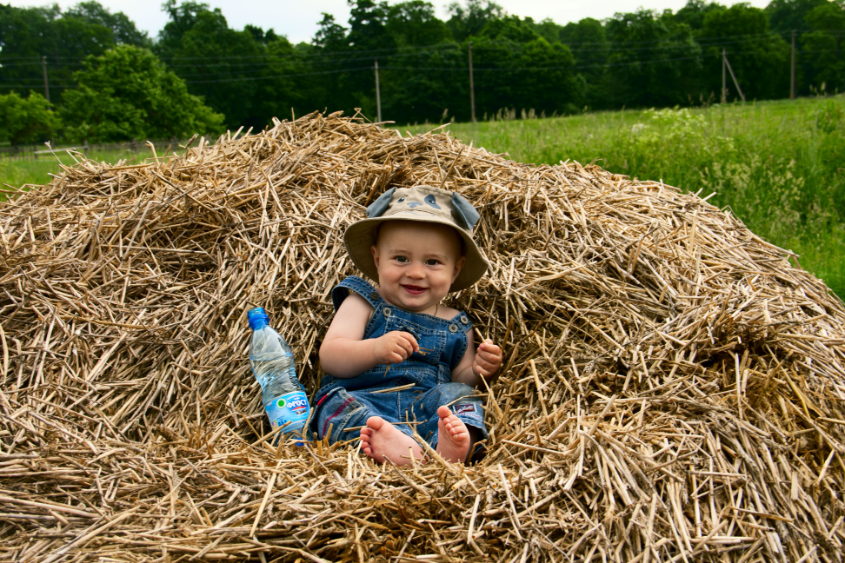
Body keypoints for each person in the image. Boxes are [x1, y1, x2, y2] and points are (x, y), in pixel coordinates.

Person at [311, 185, 503, 465]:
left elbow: (460, 378)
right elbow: (331, 358)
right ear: (377, 259)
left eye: (433, 262)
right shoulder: (363, 303)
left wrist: (479, 369)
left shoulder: (455, 322)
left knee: (460, 397)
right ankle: (403, 449)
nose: (415, 272)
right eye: (401, 258)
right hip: (366, 402)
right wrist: (375, 349)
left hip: (426, 410)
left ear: (456, 269)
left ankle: (450, 448)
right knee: (335, 406)